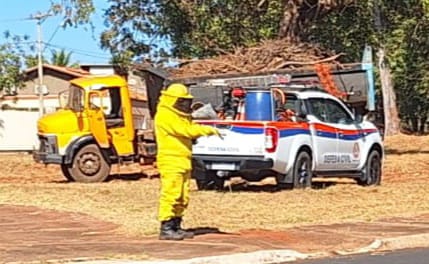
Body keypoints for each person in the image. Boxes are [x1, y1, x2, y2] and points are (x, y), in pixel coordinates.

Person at [154, 83, 219, 241]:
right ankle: (166, 227)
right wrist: (207, 130)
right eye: (181, 101)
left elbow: (189, 128)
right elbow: (185, 131)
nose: (185, 104)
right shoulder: (165, 115)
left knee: (182, 196)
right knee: (171, 194)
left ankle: (176, 225)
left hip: (183, 159)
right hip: (170, 160)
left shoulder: (180, 116)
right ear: (172, 100)